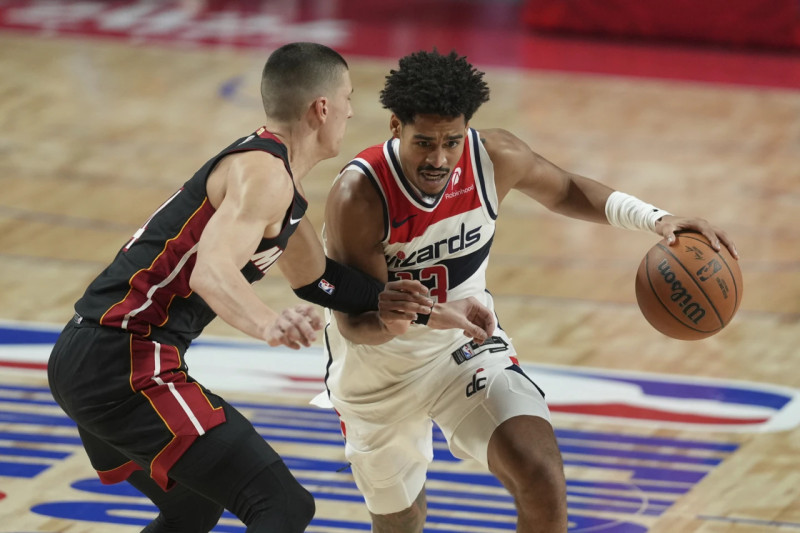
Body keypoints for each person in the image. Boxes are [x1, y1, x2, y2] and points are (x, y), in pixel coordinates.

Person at [47, 43, 493, 533]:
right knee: (282, 506)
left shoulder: (281, 185)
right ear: (322, 108)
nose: (350, 109)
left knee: (191, 508)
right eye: (346, 97)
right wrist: (269, 322)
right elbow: (210, 273)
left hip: (92, 357)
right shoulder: (263, 174)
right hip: (124, 361)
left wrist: (434, 311)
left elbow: (321, 280)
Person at [321, 49, 739, 533]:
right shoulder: (360, 195)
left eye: (451, 141)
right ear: (396, 127)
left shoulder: (494, 157)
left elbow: (564, 189)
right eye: (424, 143)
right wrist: (408, 318)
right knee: (402, 521)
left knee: (541, 474)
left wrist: (656, 219)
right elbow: (356, 324)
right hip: (378, 376)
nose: (438, 158)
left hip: (464, 349)